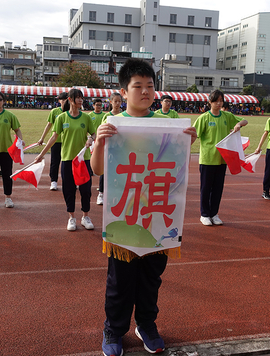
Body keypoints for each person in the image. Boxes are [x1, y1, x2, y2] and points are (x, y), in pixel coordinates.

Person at [91, 59, 196, 356]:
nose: (146, 91)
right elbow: (97, 170)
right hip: (124, 215)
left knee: (151, 278)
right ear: (124, 92)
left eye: (150, 86)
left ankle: (147, 324)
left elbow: (176, 172)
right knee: (120, 281)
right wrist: (99, 143)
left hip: (158, 216)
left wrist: (187, 143)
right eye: (138, 86)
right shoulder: (111, 125)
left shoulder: (169, 125)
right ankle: (114, 328)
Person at [35, 88, 95, 231]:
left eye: (82, 98)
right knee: (69, 190)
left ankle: (85, 216)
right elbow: (54, 137)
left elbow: (93, 134)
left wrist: (90, 139)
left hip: (83, 160)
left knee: (86, 190)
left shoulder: (86, 118)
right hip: (68, 159)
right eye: (77, 98)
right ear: (70, 99)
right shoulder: (62, 118)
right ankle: (71, 218)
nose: (80, 100)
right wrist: (41, 154)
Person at [194, 89, 247, 226]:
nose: (218, 103)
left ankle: (214, 213)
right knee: (206, 188)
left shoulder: (227, 116)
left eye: (221, 101)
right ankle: (204, 214)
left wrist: (238, 124)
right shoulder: (204, 118)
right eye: (216, 101)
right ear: (209, 102)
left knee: (218, 188)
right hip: (207, 159)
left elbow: (244, 120)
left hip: (222, 159)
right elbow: (194, 135)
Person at [96, 93, 123, 208]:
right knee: (105, 170)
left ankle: (117, 194)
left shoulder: (124, 115)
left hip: (121, 147)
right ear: (110, 102)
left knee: (120, 171)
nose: (117, 104)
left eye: (119, 101)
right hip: (109, 147)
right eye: (115, 101)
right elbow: (102, 130)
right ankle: (101, 193)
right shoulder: (107, 116)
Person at [37, 92, 68, 191]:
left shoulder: (71, 112)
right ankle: (53, 181)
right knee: (55, 161)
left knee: (67, 162)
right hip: (56, 141)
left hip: (67, 141)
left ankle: (68, 181)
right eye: (62, 100)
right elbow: (49, 125)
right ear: (59, 101)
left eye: (66, 100)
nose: (64, 102)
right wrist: (42, 138)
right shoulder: (54, 111)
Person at [89, 98, 106, 206]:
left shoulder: (105, 115)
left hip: (102, 141)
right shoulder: (90, 115)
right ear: (93, 105)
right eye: (97, 105)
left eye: (100, 105)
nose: (99, 107)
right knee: (92, 159)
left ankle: (102, 189)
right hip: (93, 140)